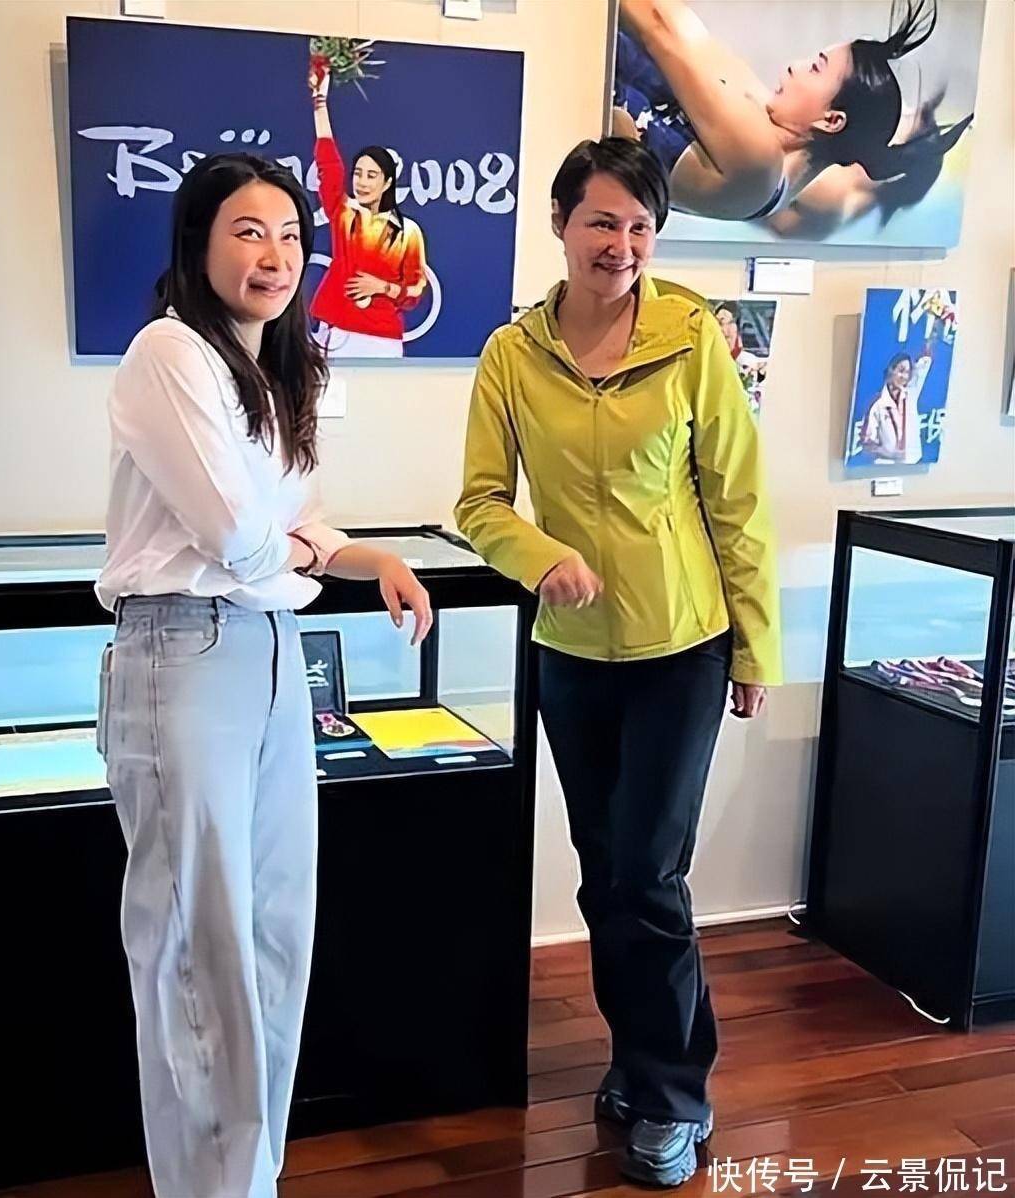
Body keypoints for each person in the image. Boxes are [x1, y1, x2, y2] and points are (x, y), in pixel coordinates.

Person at [95, 153, 432, 1198]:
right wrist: (293, 548)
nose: (274, 255)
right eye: (247, 231)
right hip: (185, 652)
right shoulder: (168, 351)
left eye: (290, 235)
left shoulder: (278, 371)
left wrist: (367, 558)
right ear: (198, 243)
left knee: (276, 936)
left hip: (271, 650)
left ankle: (250, 1178)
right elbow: (239, 537)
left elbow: (293, 525)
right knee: (198, 950)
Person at [455, 138, 781, 1188]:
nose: (623, 245)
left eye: (641, 227)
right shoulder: (512, 354)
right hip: (571, 657)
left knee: (648, 873)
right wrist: (540, 556)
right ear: (560, 223)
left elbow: (736, 501)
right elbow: (478, 502)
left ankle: (675, 1094)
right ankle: (635, 1058)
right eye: (602, 221)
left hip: (680, 649)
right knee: (605, 875)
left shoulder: (691, 340)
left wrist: (754, 645)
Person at [611, 0, 972, 237]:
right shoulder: (767, 136)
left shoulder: (759, 162)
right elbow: (686, 31)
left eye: (815, 68)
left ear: (831, 121)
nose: (793, 67)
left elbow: (661, 32)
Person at [306, 65, 427, 358]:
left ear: (387, 182)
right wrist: (319, 103)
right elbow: (328, 162)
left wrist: (382, 287)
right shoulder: (344, 213)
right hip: (338, 332)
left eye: (371, 176)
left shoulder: (407, 232)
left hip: (382, 339)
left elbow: (415, 289)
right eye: (358, 173)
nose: (361, 182)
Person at [857, 344, 932, 464]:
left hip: (914, 464)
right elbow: (867, 444)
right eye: (901, 371)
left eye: (908, 372)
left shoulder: (910, 395)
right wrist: (889, 453)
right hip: (886, 467)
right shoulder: (877, 405)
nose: (905, 377)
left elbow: (924, 363)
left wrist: (930, 340)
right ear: (890, 370)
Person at [713, 300, 767, 416]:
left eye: (725, 322)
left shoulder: (750, 363)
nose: (722, 329)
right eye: (717, 323)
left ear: (738, 326)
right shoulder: (711, 362)